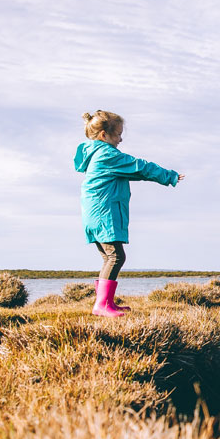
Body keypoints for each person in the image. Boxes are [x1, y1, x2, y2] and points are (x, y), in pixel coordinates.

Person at [74, 110, 184, 317]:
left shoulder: (96, 154)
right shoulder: (107, 155)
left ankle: (106, 303)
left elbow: (135, 172)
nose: (120, 139)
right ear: (103, 135)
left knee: (109, 257)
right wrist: (168, 175)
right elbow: (139, 167)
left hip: (94, 214)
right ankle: (101, 305)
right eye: (117, 134)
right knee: (116, 257)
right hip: (104, 213)